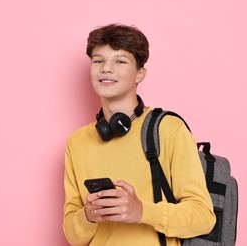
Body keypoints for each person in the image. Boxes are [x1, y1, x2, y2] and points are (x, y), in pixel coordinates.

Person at [63, 23, 216, 246]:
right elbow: (72, 235)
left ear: (140, 74)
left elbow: (203, 217)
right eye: (98, 60)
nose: (106, 68)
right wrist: (88, 215)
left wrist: (142, 211)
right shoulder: (77, 142)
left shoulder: (169, 129)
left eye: (120, 61)